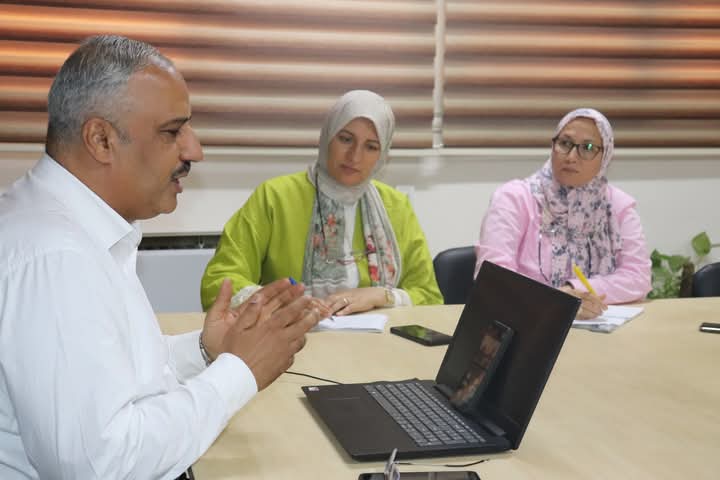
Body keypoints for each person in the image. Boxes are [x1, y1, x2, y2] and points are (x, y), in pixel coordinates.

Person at [0, 35, 329, 480]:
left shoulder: (66, 226)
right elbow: (99, 464)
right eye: (172, 132)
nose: (195, 150)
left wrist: (207, 351)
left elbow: (115, 378)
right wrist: (241, 371)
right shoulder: (58, 259)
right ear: (100, 139)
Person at [201, 90, 443, 314]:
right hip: (288, 337)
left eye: (371, 147)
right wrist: (278, 303)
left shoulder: (396, 207)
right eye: (346, 139)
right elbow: (220, 282)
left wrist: (381, 296)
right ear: (327, 136)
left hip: (377, 340)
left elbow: (429, 296)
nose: (355, 156)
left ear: (383, 155)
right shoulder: (275, 197)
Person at [474, 108, 651, 319]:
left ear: (605, 157)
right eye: (565, 143)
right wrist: (558, 301)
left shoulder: (617, 207)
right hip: (527, 322)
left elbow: (638, 277)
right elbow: (494, 279)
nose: (572, 157)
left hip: (599, 325)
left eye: (587, 148)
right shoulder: (514, 198)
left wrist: (575, 290)